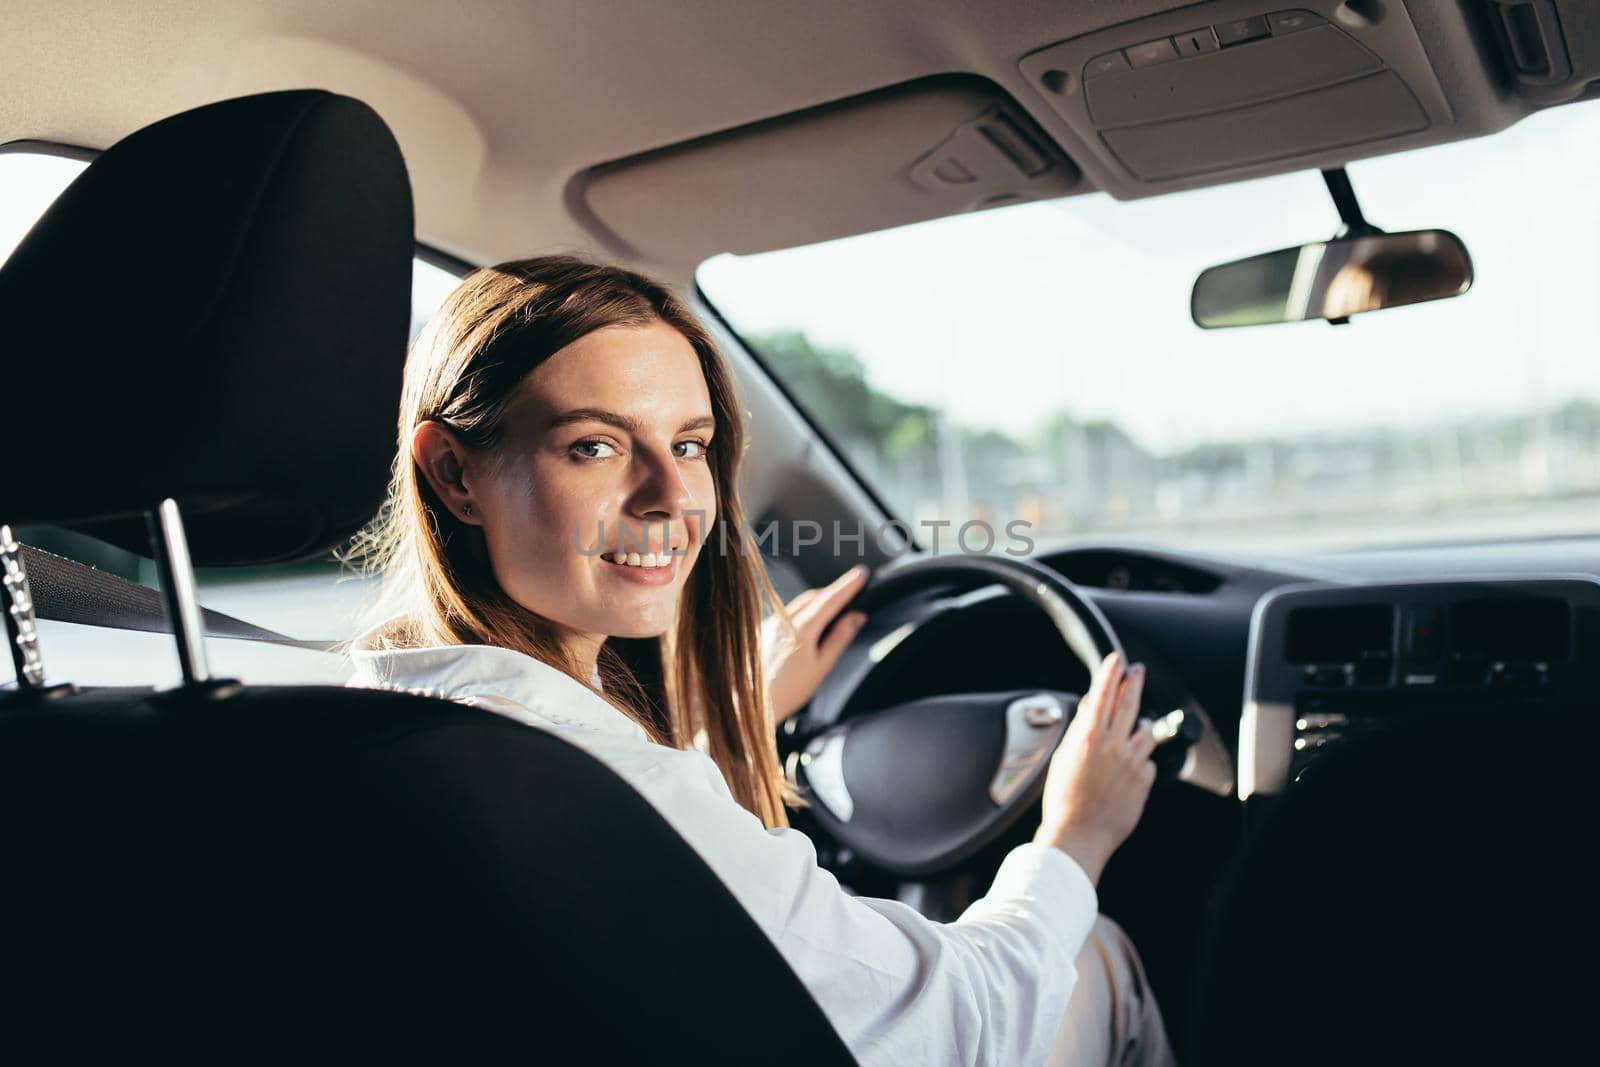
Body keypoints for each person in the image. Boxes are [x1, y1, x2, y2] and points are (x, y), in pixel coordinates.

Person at [347, 255, 1176, 1066]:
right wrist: (1076, 836)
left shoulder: (382, 713)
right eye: (594, 446)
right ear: (455, 473)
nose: (672, 497)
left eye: (690, 444)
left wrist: (728, 724)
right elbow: (968, 1027)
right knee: (1098, 951)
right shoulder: (614, 790)